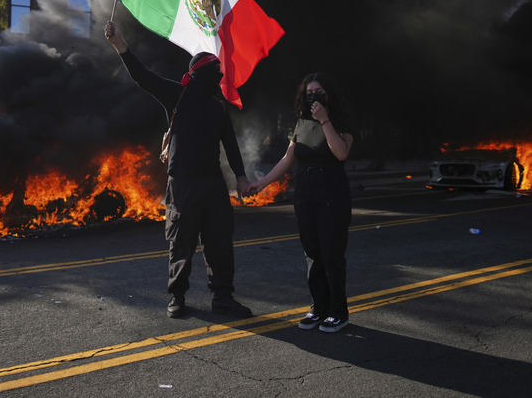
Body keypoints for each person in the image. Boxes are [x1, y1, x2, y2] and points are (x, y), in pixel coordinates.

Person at [104, 20, 253, 319]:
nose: (218, 77)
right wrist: (120, 45)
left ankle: (223, 298)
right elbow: (143, 77)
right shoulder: (178, 95)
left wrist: (240, 176)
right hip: (183, 183)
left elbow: (230, 144)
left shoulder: (218, 106)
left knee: (220, 243)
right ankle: (177, 298)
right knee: (181, 243)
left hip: (212, 183)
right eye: (213, 72)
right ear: (198, 73)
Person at [247, 73, 354, 333]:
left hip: (332, 194)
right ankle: (319, 308)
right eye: (309, 92)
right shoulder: (301, 122)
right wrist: (261, 184)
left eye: (319, 91)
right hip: (305, 194)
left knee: (331, 255)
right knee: (312, 254)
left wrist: (324, 120)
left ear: (329, 94)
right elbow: (287, 159)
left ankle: (338, 312)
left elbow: (341, 152)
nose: (313, 96)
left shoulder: (340, 120)